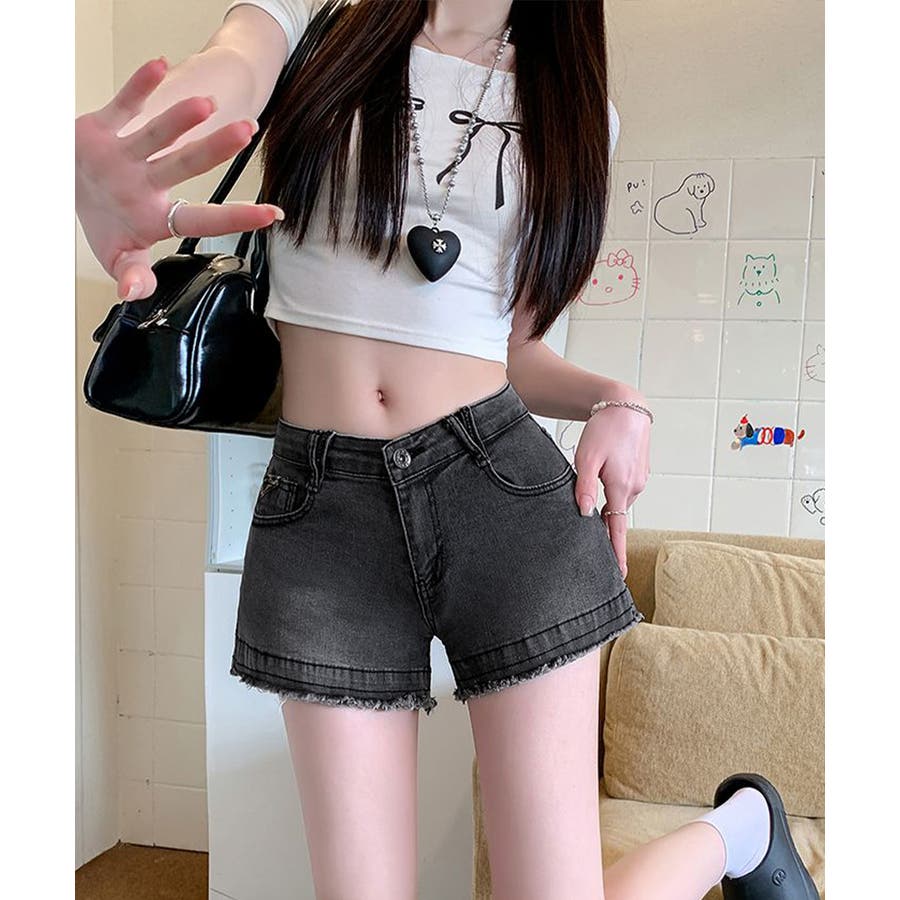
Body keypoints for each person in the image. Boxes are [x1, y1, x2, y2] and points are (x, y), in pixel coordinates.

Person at [74, 2, 819, 898]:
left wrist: (620, 401)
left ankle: (739, 832)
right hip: (324, 514)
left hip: (500, 493)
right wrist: (130, 152)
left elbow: (514, 350)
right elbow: (225, 70)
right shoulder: (318, 23)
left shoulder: (574, 108)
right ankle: (743, 831)